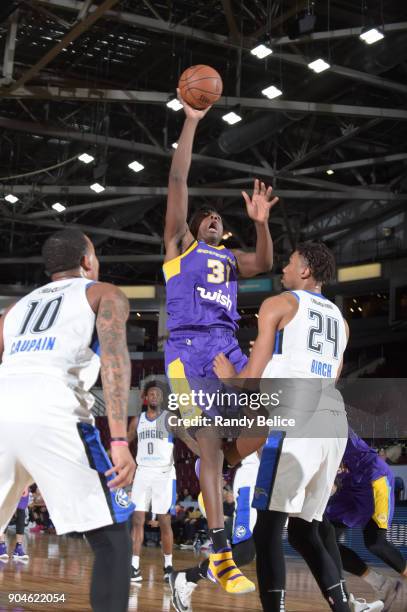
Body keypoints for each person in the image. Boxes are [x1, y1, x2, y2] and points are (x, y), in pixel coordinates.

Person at [164, 90, 278, 595]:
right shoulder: (178, 247)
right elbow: (178, 180)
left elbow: (265, 264)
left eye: (218, 218)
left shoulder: (230, 259)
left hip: (228, 343)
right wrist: (190, 122)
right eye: (205, 217)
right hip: (188, 352)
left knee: (263, 419)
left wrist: (260, 225)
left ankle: (215, 456)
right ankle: (219, 550)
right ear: (191, 229)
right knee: (210, 442)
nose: (212, 219)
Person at [0, 229, 136, 612]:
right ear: (87, 262)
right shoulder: (102, 293)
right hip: (54, 409)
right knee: (113, 537)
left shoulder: (14, 310)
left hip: (3, 407)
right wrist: (120, 442)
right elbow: (114, 361)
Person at [214, 242, 350, 612]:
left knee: (268, 526)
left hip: (298, 420)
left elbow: (253, 379)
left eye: (289, 263)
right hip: (333, 421)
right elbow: (332, 378)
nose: (283, 269)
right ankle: (343, 606)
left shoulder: (279, 304)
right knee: (306, 531)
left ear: (305, 271)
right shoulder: (341, 319)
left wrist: (230, 378)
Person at [324, 429, 407, 610]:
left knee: (375, 541)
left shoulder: (334, 427)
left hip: (373, 478)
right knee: (325, 541)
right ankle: (382, 584)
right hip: (348, 487)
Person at [170, 452, 259, 612]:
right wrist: (218, 467)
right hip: (256, 476)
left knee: (301, 535)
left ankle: (185, 577)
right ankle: (188, 577)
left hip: (288, 471)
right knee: (245, 551)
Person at [128, 380, 184, 583]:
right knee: (137, 520)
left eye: (158, 394)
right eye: (151, 394)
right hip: (142, 472)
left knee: (164, 522)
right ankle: (134, 567)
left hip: (164, 474)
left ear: (162, 398)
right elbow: (125, 443)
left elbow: (186, 438)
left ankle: (168, 567)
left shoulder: (170, 419)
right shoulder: (137, 420)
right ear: (145, 398)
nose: (154, 397)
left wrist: (205, 454)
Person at [0, 488, 30, 561]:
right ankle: (1, 546)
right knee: (5, 512)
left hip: (22, 484)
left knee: (21, 513)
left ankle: (18, 548)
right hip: (8, 483)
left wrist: (26, 484)